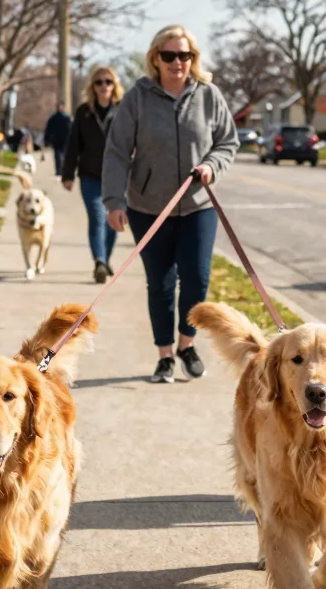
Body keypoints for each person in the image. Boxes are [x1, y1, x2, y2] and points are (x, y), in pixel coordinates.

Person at [103, 24, 240, 384]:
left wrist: (211, 166)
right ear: (156, 59)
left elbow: (227, 142)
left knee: (197, 280)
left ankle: (186, 344)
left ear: (193, 59)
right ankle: (165, 355)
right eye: (169, 55)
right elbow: (117, 151)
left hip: (197, 205)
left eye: (185, 55)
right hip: (148, 207)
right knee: (160, 284)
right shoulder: (138, 97)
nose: (177, 62)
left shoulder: (208, 95)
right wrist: (114, 200)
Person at [62, 66, 124, 283]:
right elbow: (73, 145)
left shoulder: (124, 110)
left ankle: (105, 259)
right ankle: (99, 261)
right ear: (93, 87)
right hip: (90, 176)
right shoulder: (83, 112)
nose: (104, 86)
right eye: (99, 82)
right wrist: (67, 174)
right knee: (98, 217)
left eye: (108, 82)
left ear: (114, 85)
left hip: (118, 177)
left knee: (113, 221)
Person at [43, 101, 72, 174]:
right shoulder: (54, 118)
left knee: (63, 156)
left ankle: (62, 170)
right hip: (57, 140)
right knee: (58, 156)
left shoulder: (67, 118)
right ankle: (59, 170)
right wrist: (47, 139)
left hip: (64, 140)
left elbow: (71, 129)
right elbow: (48, 130)